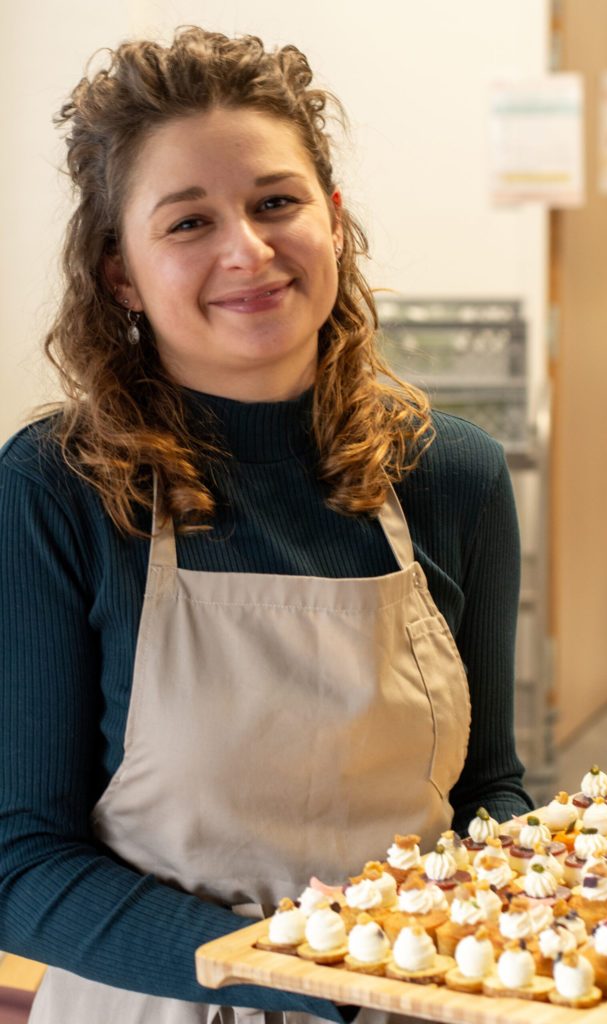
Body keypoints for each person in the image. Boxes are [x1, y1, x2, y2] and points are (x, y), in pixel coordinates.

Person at [0, 25, 533, 1024]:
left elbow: (488, 789)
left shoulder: (451, 474)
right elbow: (17, 863)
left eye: (275, 203)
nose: (248, 250)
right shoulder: (59, 489)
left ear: (331, 221)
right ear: (120, 272)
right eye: (188, 222)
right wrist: (304, 964)